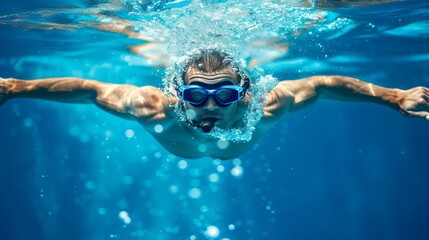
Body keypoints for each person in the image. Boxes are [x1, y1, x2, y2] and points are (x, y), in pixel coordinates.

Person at [0, 49, 428, 159]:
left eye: (224, 94)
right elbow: (89, 88)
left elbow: (324, 83)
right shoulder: (154, 106)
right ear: (177, 94)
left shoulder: (267, 105)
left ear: (243, 93)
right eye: (196, 94)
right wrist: (16, 88)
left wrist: (395, 98)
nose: (211, 105)